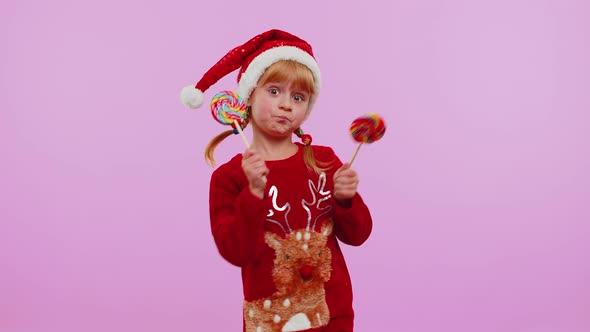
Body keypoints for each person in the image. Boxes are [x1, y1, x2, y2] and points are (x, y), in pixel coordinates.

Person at [181, 29, 373, 332]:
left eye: (298, 97)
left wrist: (346, 199)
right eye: (274, 91)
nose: (286, 104)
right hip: (269, 322)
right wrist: (253, 193)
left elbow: (359, 235)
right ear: (248, 96)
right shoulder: (229, 178)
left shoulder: (323, 161)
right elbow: (235, 252)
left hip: (331, 315)